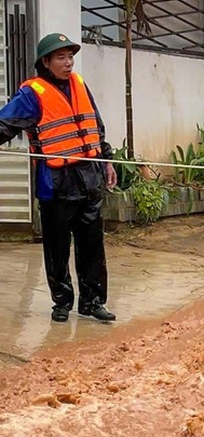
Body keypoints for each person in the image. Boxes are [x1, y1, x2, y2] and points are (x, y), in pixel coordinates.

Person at [0, 33, 117, 322]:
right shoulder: (32, 93)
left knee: (92, 246)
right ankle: (62, 302)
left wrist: (107, 160)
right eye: (61, 57)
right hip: (56, 181)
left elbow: (95, 126)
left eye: (70, 56)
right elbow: (4, 125)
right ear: (46, 62)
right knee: (57, 247)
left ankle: (92, 302)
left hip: (89, 178)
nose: (68, 63)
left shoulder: (79, 85)